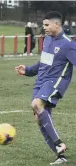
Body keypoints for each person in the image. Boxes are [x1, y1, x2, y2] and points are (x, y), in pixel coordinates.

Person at [15, 11, 76, 165]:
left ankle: (59, 143)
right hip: (40, 83)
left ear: (58, 24)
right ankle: (60, 155)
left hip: (55, 82)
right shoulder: (47, 40)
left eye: (47, 25)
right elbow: (44, 63)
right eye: (44, 25)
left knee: (36, 104)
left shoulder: (68, 45)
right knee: (39, 117)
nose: (45, 28)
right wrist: (27, 70)